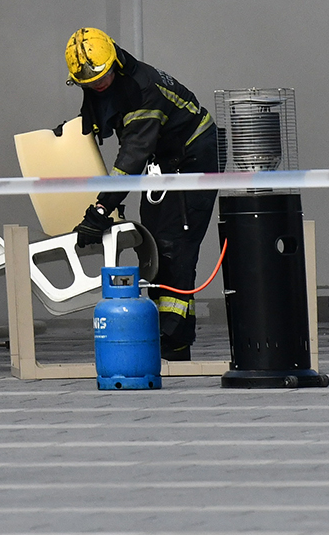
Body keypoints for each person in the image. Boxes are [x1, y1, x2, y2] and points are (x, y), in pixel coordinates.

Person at [64, 26, 221, 361]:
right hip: (164, 162)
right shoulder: (112, 79)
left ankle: (174, 341)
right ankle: (170, 337)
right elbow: (101, 120)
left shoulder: (142, 92)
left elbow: (132, 156)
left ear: (114, 62)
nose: (97, 86)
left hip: (193, 159)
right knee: (155, 245)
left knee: (175, 245)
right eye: (89, 83)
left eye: (101, 78)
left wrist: (101, 209)